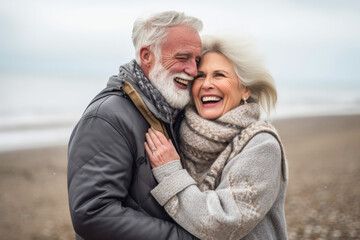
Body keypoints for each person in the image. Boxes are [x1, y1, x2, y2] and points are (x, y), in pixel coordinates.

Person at [67, 11, 202, 240]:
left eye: (197, 60)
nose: (194, 71)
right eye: (182, 57)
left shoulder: (172, 112)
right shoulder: (106, 118)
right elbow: (92, 213)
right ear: (147, 56)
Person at [144, 34, 288, 239]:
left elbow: (222, 223)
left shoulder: (262, 145)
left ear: (245, 89)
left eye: (219, 75)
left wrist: (169, 172)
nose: (206, 84)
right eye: (200, 76)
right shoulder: (177, 132)